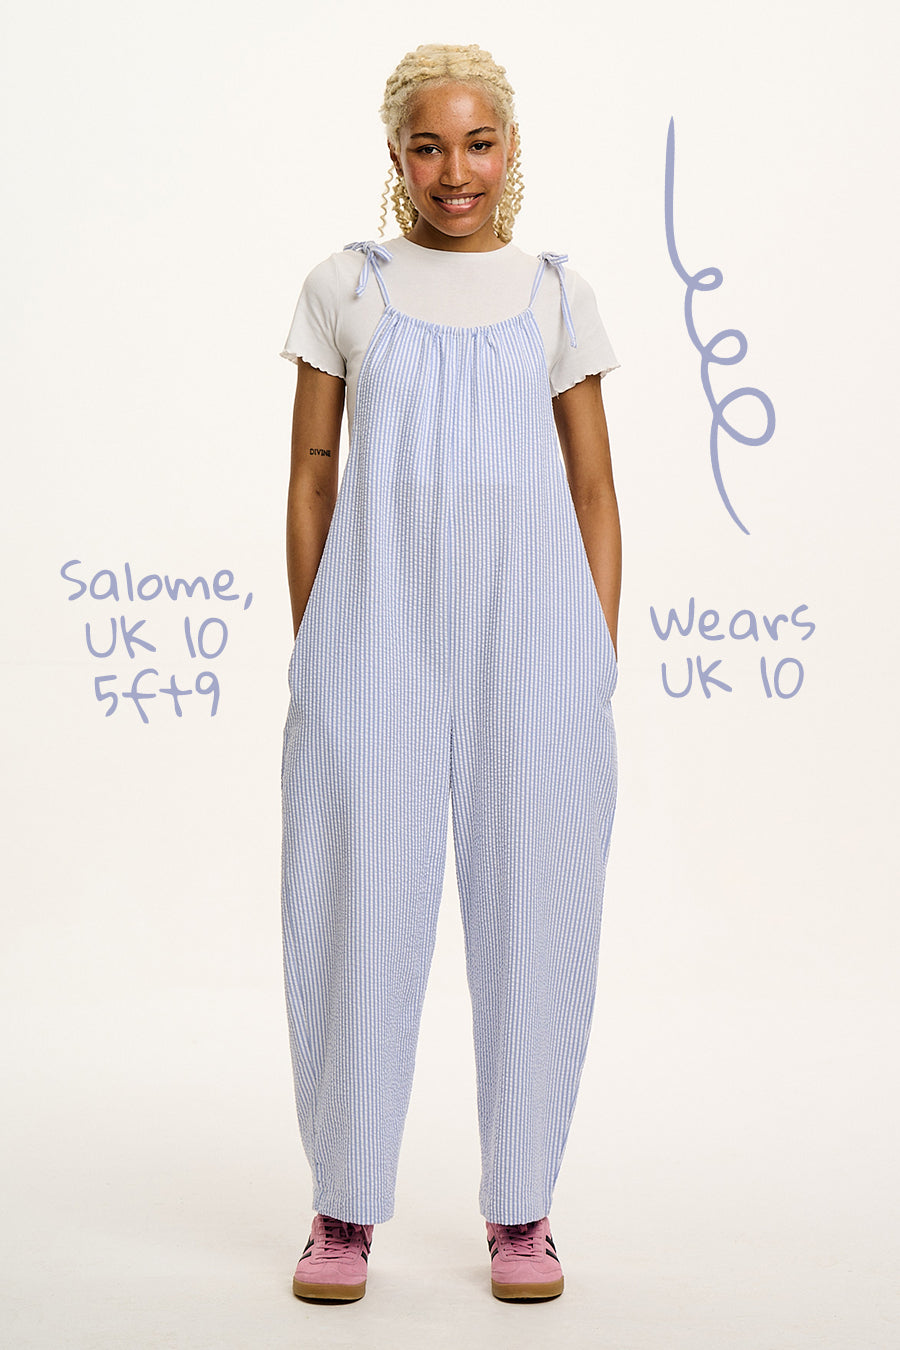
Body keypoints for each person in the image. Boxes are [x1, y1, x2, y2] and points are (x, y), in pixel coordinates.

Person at [278, 41, 620, 1304]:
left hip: (535, 652)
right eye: (429, 145)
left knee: (537, 913)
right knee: (356, 910)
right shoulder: (345, 287)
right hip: (373, 642)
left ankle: (522, 1210)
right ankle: (343, 1206)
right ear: (397, 155)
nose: (454, 170)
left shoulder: (556, 295)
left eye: (478, 143)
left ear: (511, 148)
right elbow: (312, 474)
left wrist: (590, 656)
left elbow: (594, 486)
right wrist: (321, 644)